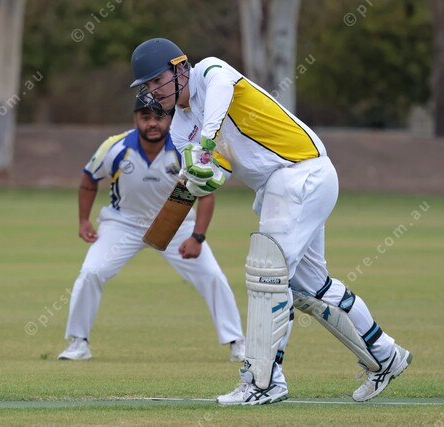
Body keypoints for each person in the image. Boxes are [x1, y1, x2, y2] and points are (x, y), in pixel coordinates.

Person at [129, 38, 411, 405]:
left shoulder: (211, 71)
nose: (154, 91)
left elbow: (219, 100)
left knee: (268, 275)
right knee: (311, 287)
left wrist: (206, 144)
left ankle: (263, 381)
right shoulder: (181, 128)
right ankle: (386, 355)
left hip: (301, 170)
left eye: (157, 80)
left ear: (180, 67)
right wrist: (200, 177)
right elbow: (214, 173)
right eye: (147, 85)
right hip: (278, 188)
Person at [58, 98, 245, 362]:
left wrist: (197, 237)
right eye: (145, 117)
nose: (153, 123)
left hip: (176, 223)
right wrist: (84, 220)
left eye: (159, 117)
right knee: (91, 272)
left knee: (212, 275)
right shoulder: (115, 146)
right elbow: (89, 178)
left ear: (169, 118)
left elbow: (206, 194)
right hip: (122, 223)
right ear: (135, 119)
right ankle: (78, 343)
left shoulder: (185, 149)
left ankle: (237, 342)